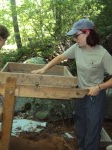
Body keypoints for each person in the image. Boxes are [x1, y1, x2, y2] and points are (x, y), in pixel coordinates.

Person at [32, 19, 112, 150]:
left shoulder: (102, 54)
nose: (75, 39)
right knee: (80, 129)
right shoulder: (77, 48)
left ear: (88, 33)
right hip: (80, 95)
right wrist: (44, 69)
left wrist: (98, 87)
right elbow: (60, 57)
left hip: (95, 97)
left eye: (77, 35)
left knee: (92, 132)